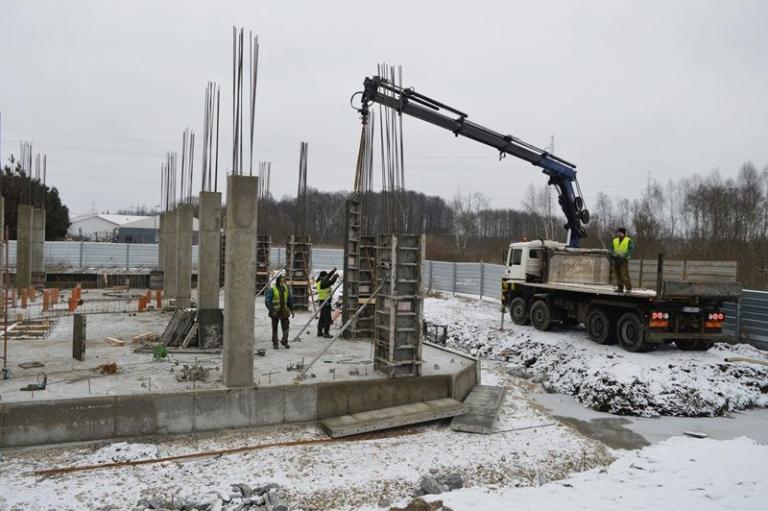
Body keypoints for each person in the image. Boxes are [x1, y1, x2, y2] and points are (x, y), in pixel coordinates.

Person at [265, 275, 294, 349]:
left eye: (284, 281)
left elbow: (289, 300)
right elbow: (268, 301)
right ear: (278, 281)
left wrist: (292, 310)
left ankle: (285, 341)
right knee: (275, 328)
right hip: (275, 312)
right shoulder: (272, 290)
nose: (283, 282)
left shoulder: (286, 289)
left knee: (286, 327)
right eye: (281, 281)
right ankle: (275, 343)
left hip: (284, 311)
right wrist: (272, 310)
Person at [315, 267, 339, 338]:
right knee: (327, 318)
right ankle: (326, 333)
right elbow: (331, 282)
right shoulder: (323, 283)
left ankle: (319, 332)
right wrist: (335, 276)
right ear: (323, 277)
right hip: (326, 302)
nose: (327, 277)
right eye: (326, 276)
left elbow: (328, 276)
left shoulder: (319, 281)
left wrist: (333, 271)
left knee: (322, 317)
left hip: (322, 302)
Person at [610, 227, 636, 293]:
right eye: (617, 232)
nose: (618, 234)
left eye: (620, 232)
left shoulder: (628, 240)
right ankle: (620, 288)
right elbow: (611, 249)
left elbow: (631, 249)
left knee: (624, 275)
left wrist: (624, 255)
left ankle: (628, 288)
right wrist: (612, 254)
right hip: (616, 260)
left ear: (623, 233)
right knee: (617, 275)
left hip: (623, 261)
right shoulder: (615, 240)